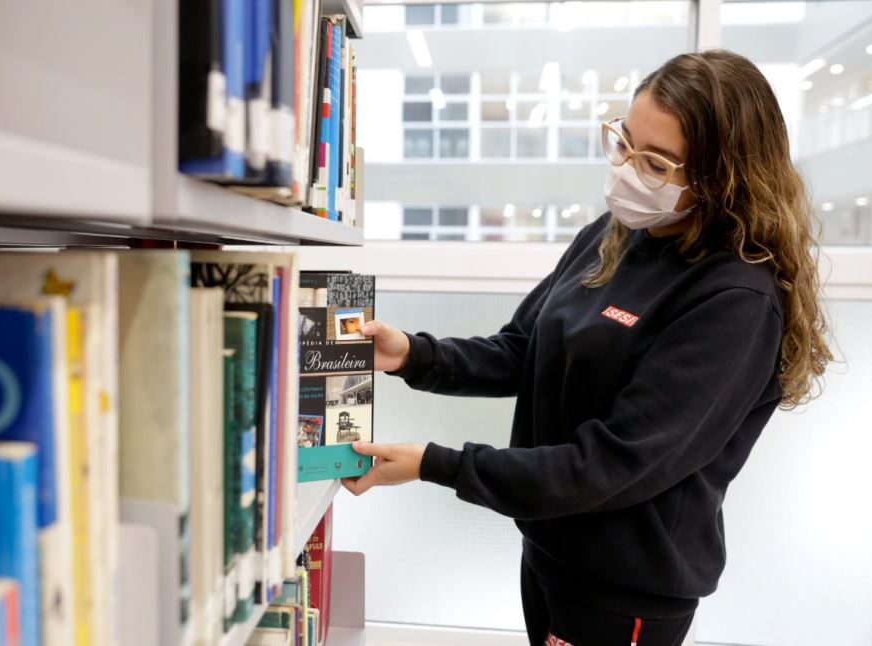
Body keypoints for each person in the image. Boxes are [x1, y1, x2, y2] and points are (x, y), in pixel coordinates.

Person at [341, 50, 832, 646]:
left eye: (654, 163)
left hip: (622, 592)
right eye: (623, 143)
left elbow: (609, 465)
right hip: (551, 551)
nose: (626, 171)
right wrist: (414, 355)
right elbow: (524, 349)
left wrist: (435, 463)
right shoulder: (617, 235)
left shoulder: (734, 300)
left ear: (721, 177)